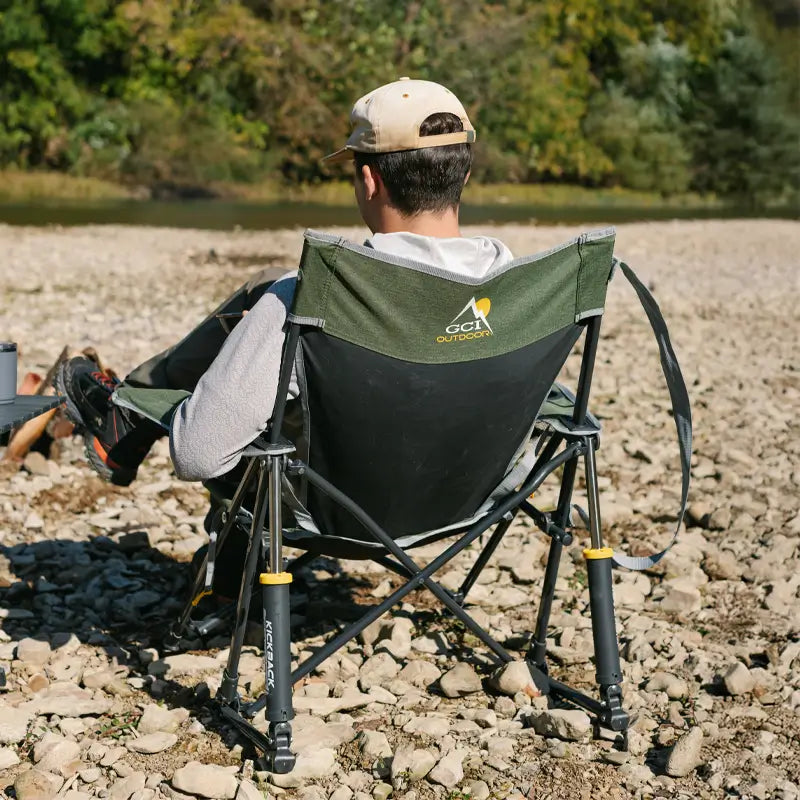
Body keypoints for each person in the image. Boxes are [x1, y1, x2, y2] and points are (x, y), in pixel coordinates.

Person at [56, 77, 514, 486]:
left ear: (370, 181)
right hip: (465, 495)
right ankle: (130, 417)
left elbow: (196, 455)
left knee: (268, 319)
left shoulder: (312, 299)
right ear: (465, 174)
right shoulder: (518, 289)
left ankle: (131, 417)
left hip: (329, 504)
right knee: (266, 286)